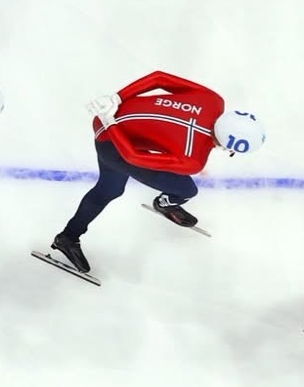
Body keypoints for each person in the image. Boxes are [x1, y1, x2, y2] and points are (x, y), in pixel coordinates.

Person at [44, 71, 264, 276]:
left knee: (110, 189)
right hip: (113, 143)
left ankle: (68, 237)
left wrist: (116, 99)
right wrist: (110, 123)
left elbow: (159, 77)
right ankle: (164, 204)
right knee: (185, 190)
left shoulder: (213, 100)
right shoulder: (193, 160)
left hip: (113, 115)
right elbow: (132, 157)